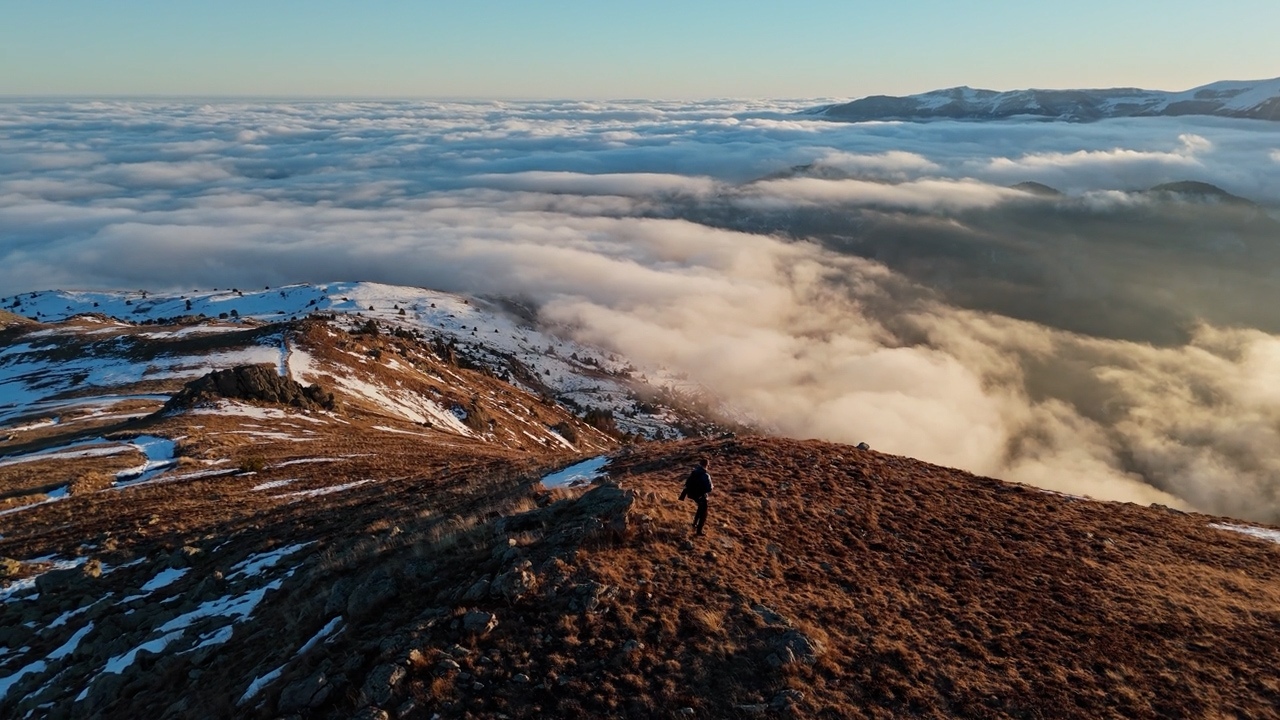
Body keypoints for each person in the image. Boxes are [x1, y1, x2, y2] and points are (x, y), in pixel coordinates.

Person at [679, 457, 713, 535]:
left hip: (693, 495)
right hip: (701, 496)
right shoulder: (705, 475)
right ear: (706, 465)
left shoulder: (694, 472)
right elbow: (709, 488)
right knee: (704, 513)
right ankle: (699, 531)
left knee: (700, 508)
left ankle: (694, 524)